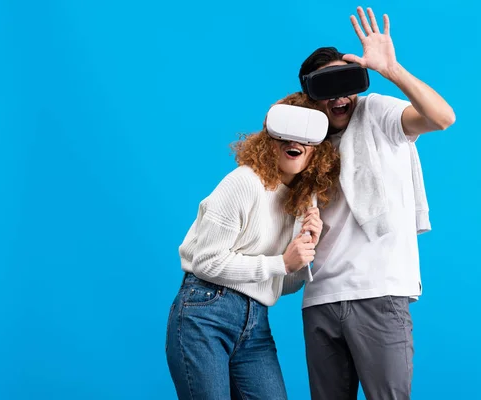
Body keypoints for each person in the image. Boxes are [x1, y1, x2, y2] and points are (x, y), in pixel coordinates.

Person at [295, 6, 456, 400]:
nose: (339, 96)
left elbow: (442, 118)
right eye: (325, 87)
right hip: (320, 298)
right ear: (311, 96)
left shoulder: (377, 112)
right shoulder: (305, 140)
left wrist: (391, 70)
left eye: (346, 82)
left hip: (378, 291)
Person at [165, 92, 340, 400]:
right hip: (206, 312)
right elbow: (206, 262)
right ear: (268, 137)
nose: (294, 140)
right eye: (285, 129)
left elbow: (280, 284)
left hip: (256, 322)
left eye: (306, 134)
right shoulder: (243, 183)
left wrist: (305, 251)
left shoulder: (297, 202)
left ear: (317, 150)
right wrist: (281, 263)